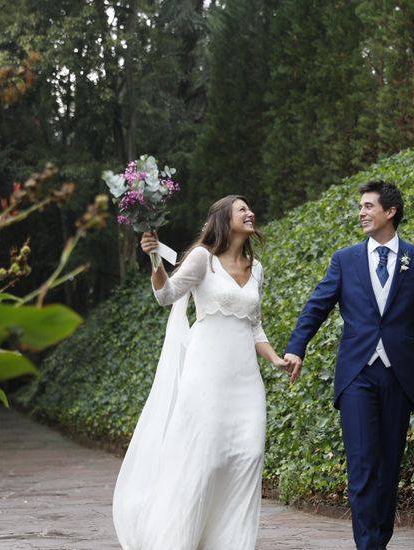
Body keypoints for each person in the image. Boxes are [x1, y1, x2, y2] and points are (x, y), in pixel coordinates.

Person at [112, 196, 291, 550]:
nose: (250, 213)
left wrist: (276, 359)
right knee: (207, 459)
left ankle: (233, 543)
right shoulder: (202, 260)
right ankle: (181, 538)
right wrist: (153, 257)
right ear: (224, 219)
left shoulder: (257, 269)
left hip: (245, 380)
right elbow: (166, 295)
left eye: (249, 208)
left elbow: (255, 326)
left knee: (249, 455)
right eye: (242, 210)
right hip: (206, 375)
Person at [284, 180, 414, 550]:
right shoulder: (345, 260)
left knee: (389, 469)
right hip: (356, 374)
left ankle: (380, 542)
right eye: (360, 206)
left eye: (368, 206)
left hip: (398, 376)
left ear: (390, 212)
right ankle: (367, 546)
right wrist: (297, 347)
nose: (361, 212)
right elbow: (317, 306)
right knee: (361, 467)